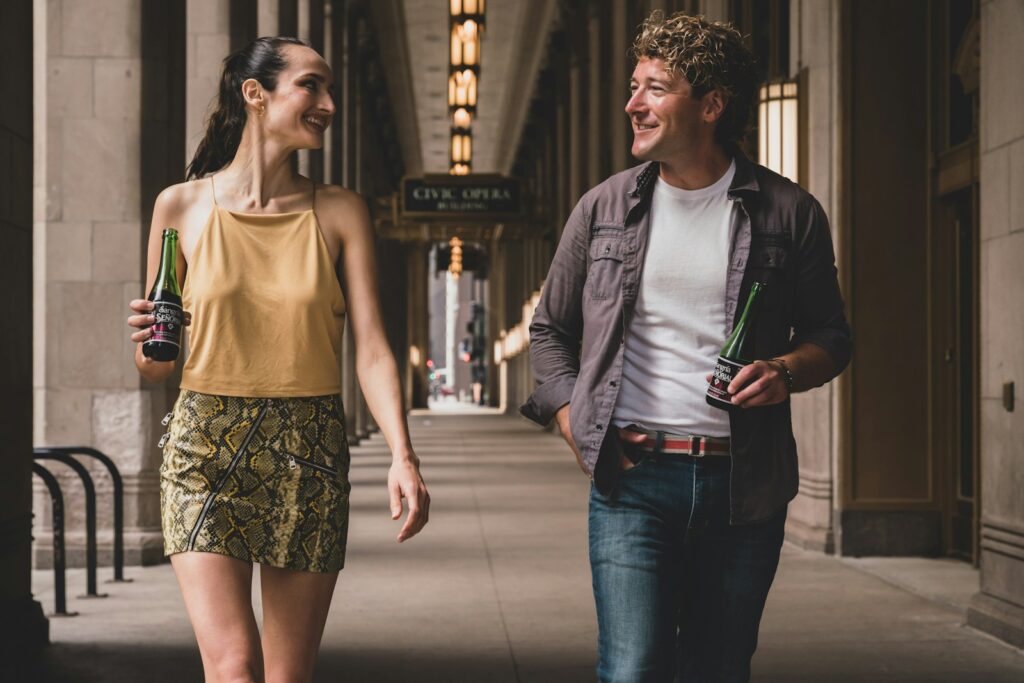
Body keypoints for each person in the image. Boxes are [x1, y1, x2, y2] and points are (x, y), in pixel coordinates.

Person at [520, 12, 851, 683]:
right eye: (633, 86)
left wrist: (785, 369)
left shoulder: (789, 213)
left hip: (744, 483)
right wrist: (571, 422)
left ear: (711, 105)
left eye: (654, 88)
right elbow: (550, 330)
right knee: (632, 667)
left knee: (718, 668)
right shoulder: (602, 208)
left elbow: (832, 336)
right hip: (634, 480)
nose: (631, 104)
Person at [126, 36, 430, 682]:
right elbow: (156, 366)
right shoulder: (179, 208)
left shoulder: (340, 211)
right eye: (311, 86)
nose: (329, 102)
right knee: (233, 665)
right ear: (255, 94)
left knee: (288, 675)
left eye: (329, 88)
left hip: (309, 448)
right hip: (203, 447)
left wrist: (403, 453)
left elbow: (371, 345)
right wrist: (147, 344)